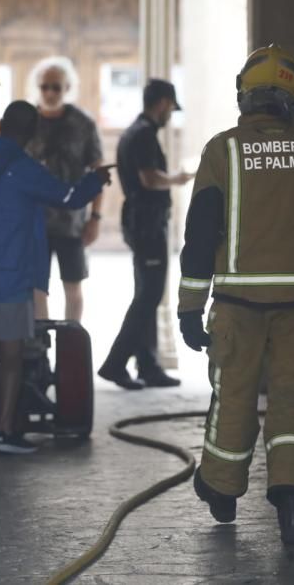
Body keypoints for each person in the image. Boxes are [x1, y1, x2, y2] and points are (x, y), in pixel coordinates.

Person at [176, 45, 294, 545]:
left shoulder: (223, 151)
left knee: (233, 397)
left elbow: (199, 234)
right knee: (293, 400)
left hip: (237, 304)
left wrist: (190, 309)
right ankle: (293, 503)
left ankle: (221, 489)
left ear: (244, 96)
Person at [0, 101, 111, 453]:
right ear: (32, 131)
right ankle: (5, 430)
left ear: (3, 124)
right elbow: (67, 197)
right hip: (9, 272)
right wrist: (94, 181)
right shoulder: (23, 168)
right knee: (10, 354)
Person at [97, 79, 193, 390]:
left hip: (141, 221)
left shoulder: (136, 132)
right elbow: (149, 179)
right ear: (163, 102)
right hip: (148, 223)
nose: (170, 115)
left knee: (147, 294)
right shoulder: (144, 135)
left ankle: (148, 365)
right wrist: (178, 179)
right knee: (148, 296)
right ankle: (115, 363)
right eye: (170, 108)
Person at [27, 57, 104, 322]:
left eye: (56, 87)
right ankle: (40, 349)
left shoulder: (82, 124)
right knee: (37, 289)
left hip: (71, 222)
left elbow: (98, 173)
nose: (49, 93)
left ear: (67, 88)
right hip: (33, 222)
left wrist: (95, 217)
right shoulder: (27, 122)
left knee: (73, 286)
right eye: (45, 86)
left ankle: (70, 345)